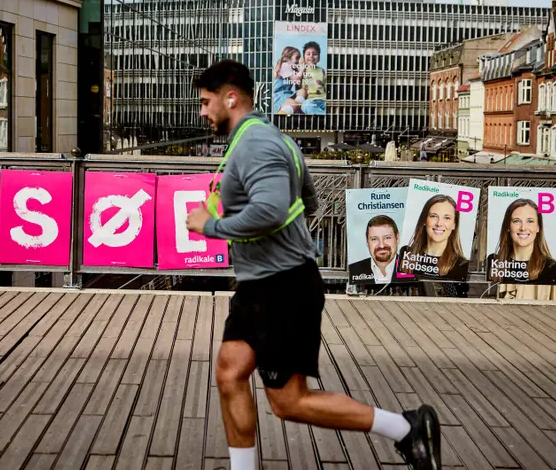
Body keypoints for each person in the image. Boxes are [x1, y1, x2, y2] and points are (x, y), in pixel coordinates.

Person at [184, 60, 441, 470]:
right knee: (230, 372)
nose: (202, 111)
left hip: (282, 288)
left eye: (204, 101)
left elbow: (271, 211)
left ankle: (406, 429)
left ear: (230, 98)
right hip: (260, 283)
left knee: (289, 401)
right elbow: (307, 200)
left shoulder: (256, 144)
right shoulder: (275, 140)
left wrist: (211, 225)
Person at [398, 194, 469, 296]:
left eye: (447, 218)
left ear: (454, 224)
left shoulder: (461, 264)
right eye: (433, 216)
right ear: (424, 220)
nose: (439, 223)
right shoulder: (406, 254)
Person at [487, 199, 556, 284]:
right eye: (516, 221)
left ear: (538, 227)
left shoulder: (550, 266)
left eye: (530, 221)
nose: (523, 228)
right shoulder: (494, 262)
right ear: (508, 226)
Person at [347, 215, 401, 295]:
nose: (381, 245)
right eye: (374, 239)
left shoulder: (411, 268)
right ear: (367, 242)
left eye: (387, 238)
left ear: (397, 238)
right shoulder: (354, 269)